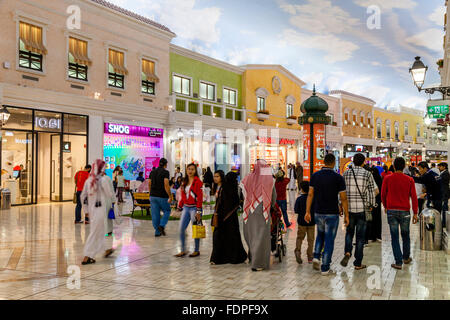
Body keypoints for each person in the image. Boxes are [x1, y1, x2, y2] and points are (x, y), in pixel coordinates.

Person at [306, 153, 349, 275]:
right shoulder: (338, 178)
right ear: (333, 162)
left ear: (324, 162)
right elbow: (343, 198)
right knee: (329, 239)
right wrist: (346, 215)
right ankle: (325, 267)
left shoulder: (315, 176)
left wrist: (307, 211)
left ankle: (316, 256)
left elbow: (310, 194)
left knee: (320, 235)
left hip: (318, 211)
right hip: (332, 213)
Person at [340, 153, 377, 270]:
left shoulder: (345, 173)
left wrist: (341, 205)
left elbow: (341, 192)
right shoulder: (367, 174)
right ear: (363, 162)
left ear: (353, 161)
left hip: (349, 209)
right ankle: (358, 263)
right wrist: (371, 205)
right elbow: (372, 191)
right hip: (362, 209)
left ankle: (347, 252)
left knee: (349, 233)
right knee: (360, 237)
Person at [381, 157, 419, 270]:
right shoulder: (410, 179)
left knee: (394, 236)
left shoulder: (387, 178)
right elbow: (414, 197)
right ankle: (406, 258)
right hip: (405, 212)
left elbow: (383, 194)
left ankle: (398, 262)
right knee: (405, 235)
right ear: (404, 167)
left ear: (393, 166)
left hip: (391, 211)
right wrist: (415, 213)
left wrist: (385, 206)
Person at [241, 159, 276, 271]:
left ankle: (252, 257)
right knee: (261, 237)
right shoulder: (269, 180)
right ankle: (258, 263)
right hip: (262, 211)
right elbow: (273, 198)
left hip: (249, 211)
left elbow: (242, 194)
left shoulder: (247, 178)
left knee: (252, 236)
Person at [81, 160, 116, 265]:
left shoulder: (88, 181)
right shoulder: (103, 180)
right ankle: (87, 256)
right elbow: (109, 193)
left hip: (92, 211)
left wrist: (86, 211)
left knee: (99, 231)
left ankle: (105, 250)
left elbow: (83, 197)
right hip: (100, 210)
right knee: (94, 232)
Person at [210, 171, 247, 265]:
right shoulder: (230, 188)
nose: (215, 178)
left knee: (219, 237)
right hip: (230, 217)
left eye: (217, 176)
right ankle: (234, 257)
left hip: (223, 217)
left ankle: (218, 258)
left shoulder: (225, 188)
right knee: (232, 237)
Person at [175, 163, 203, 257]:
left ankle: (196, 250)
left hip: (195, 208)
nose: (190, 171)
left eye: (192, 169)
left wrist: (199, 211)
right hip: (186, 208)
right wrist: (179, 206)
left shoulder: (198, 182)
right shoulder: (184, 182)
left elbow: (200, 197)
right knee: (181, 228)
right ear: (186, 171)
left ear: (195, 171)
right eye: (188, 169)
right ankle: (183, 250)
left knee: (195, 229)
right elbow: (183, 196)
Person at [149, 158, 173, 237]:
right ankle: (162, 225)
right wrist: (170, 195)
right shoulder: (166, 172)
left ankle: (157, 232)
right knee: (167, 211)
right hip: (162, 196)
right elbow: (166, 184)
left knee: (155, 214)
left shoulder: (152, 172)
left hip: (153, 196)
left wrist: (150, 193)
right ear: (166, 164)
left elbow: (149, 183)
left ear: (159, 164)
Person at [294, 181, 315, 264]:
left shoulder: (299, 199)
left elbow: (296, 210)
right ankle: (310, 256)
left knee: (300, 238)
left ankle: (298, 251)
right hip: (311, 222)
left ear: (301, 189)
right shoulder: (313, 198)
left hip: (301, 222)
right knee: (311, 239)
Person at [367, 167, 382, 242]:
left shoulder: (369, 180)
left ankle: (370, 236)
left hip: (370, 202)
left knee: (370, 219)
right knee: (378, 219)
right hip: (377, 202)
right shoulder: (379, 179)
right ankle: (378, 235)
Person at [438, 162, 449, 226]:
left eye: (440, 166)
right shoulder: (443, 173)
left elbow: (441, 181)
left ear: (444, 167)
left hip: (444, 193)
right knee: (443, 208)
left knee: (444, 208)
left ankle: (444, 223)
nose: (439, 168)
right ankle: (443, 221)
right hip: (442, 192)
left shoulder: (446, 173)